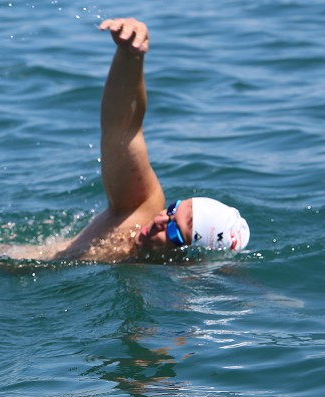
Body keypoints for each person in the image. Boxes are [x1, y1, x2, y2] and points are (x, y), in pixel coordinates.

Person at [50, 17, 250, 262]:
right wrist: (131, 56)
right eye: (172, 210)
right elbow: (122, 128)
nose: (159, 221)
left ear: (189, 254)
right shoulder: (138, 208)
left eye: (175, 230)